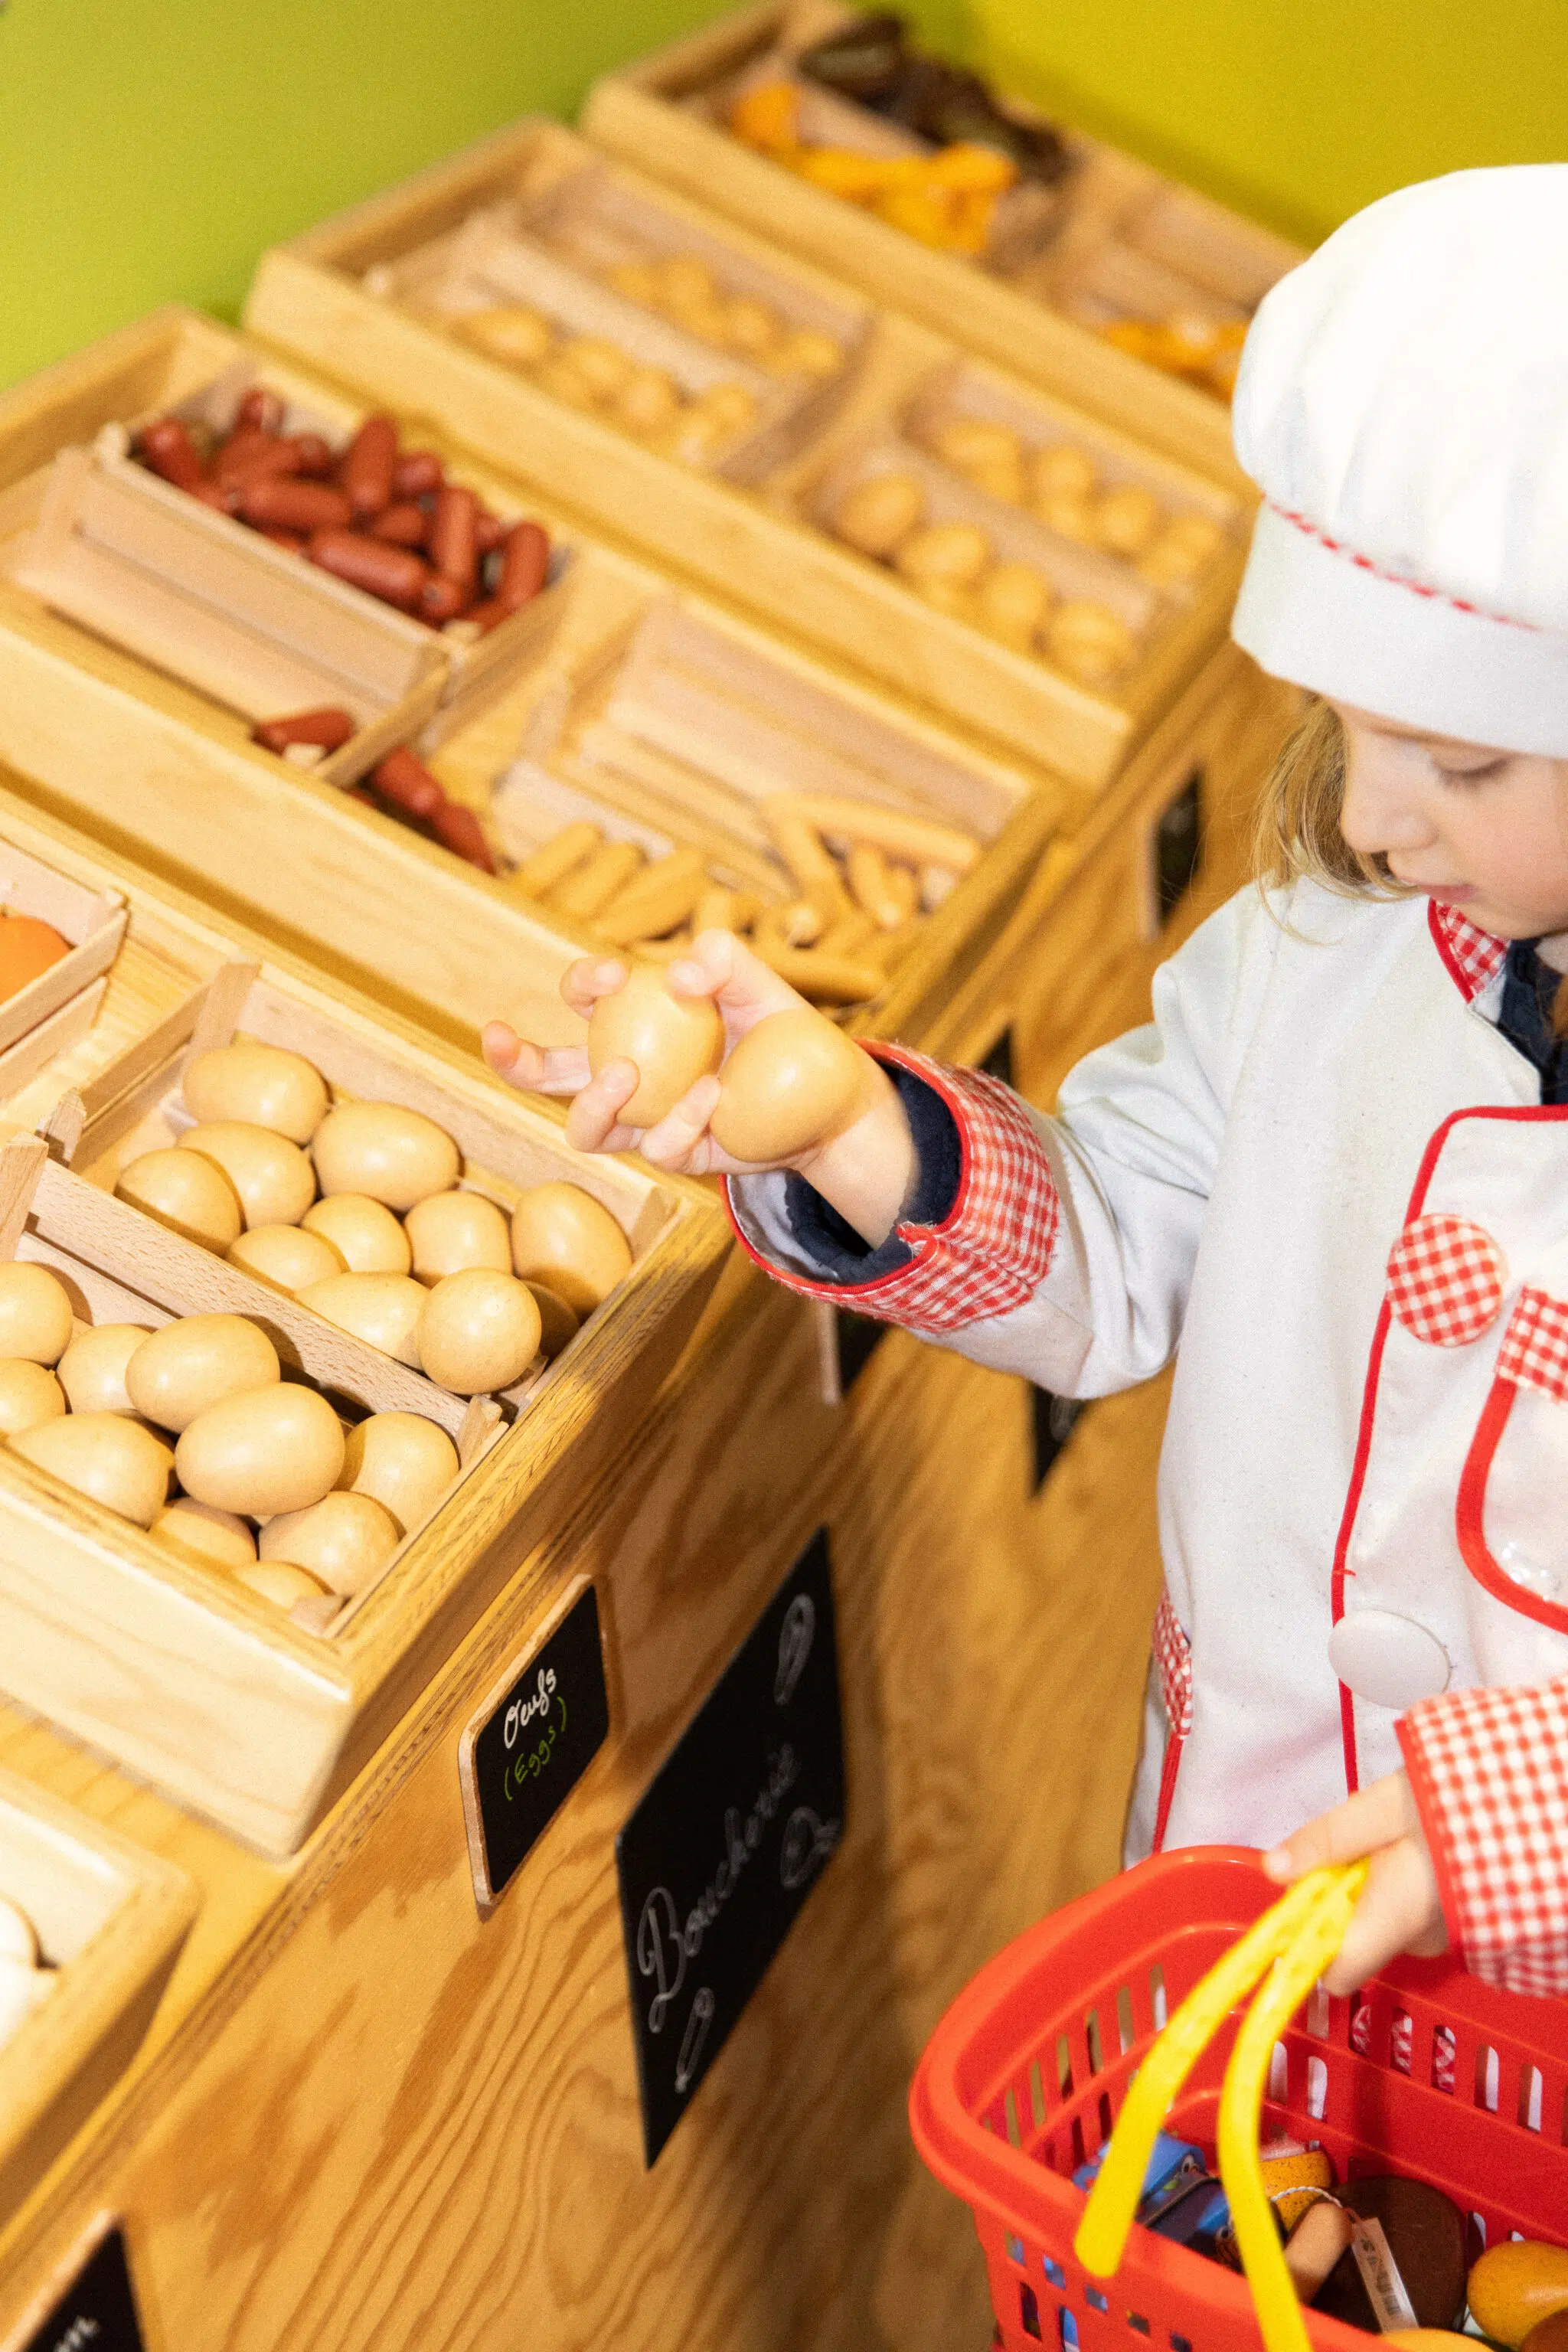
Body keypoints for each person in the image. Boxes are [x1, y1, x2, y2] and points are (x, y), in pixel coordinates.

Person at [485, 166, 1568, 2003]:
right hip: (1236, 1901)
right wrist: (853, 1130)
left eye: (1456, 763)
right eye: (1346, 735)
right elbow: (1115, 1243)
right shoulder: (1319, 960)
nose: (1377, 822)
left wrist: (1507, 1821)